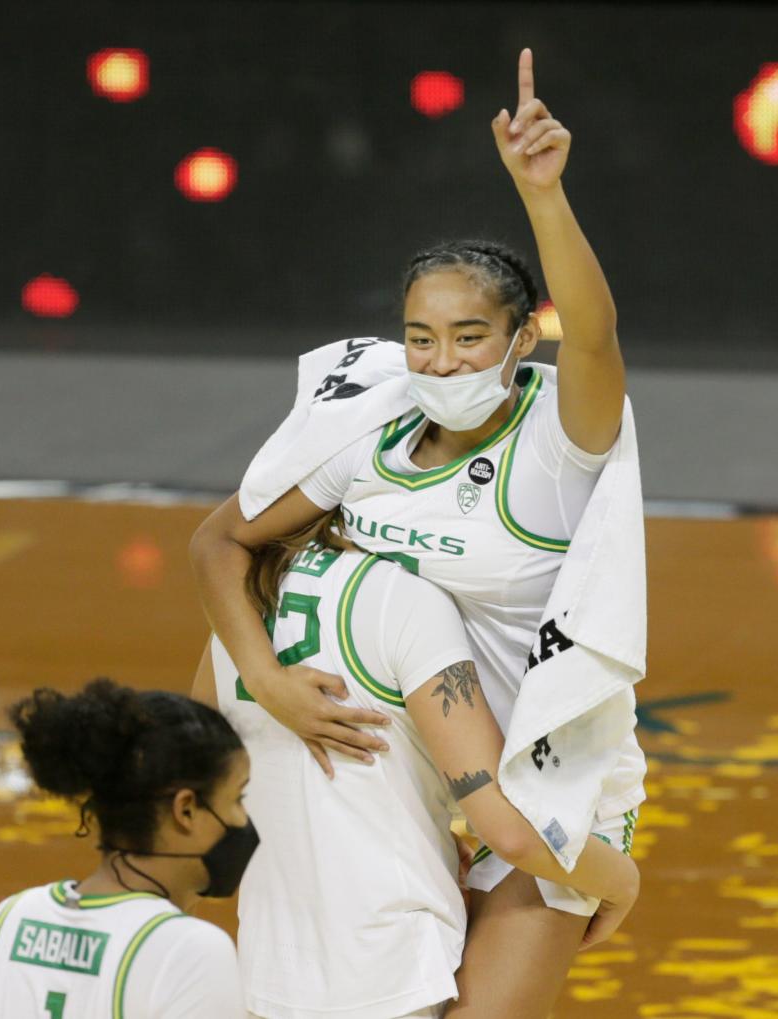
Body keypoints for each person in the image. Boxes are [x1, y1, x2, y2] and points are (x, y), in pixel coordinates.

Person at [189, 48, 645, 1019]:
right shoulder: (374, 436)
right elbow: (218, 543)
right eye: (422, 336)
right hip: (425, 762)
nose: (442, 359)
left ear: (524, 338)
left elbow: (598, 337)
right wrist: (265, 678)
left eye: (471, 335)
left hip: (548, 786)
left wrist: (543, 192)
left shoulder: (558, 440)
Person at [192, 521, 640, 1019]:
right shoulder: (406, 597)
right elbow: (509, 831)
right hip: (392, 972)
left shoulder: (245, 600)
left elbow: (200, 765)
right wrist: (622, 883)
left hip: (270, 975)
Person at [0, 679, 252, 1019]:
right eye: (238, 799)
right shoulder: (190, 951)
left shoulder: (6, 921)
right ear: (185, 810)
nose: (244, 819)